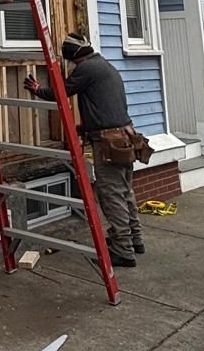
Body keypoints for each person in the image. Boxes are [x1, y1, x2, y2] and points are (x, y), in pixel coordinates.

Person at [24, 34, 148, 268]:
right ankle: (135, 239)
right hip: (125, 137)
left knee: (111, 195)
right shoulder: (104, 66)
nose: (70, 67)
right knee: (125, 191)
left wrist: (38, 89)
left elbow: (61, 93)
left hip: (109, 142)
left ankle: (123, 250)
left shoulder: (87, 69)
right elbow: (104, 105)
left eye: (69, 62)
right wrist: (87, 126)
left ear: (74, 58)